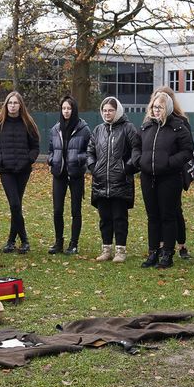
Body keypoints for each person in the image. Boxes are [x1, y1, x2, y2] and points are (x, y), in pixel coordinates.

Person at [139, 90, 194, 269]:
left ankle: (167, 253)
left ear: (167, 108)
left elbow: (187, 150)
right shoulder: (147, 126)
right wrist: (139, 161)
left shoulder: (178, 126)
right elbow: (136, 146)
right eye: (154, 107)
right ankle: (153, 251)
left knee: (168, 216)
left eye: (160, 107)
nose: (156, 110)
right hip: (148, 177)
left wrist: (169, 163)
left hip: (169, 178)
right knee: (152, 216)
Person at [87, 96, 141, 263]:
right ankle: (106, 249)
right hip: (101, 182)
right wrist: (93, 167)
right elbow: (90, 151)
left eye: (110, 110)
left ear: (117, 111)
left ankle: (121, 251)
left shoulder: (128, 128)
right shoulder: (98, 130)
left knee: (119, 218)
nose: (107, 113)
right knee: (104, 219)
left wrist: (126, 168)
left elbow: (136, 151)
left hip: (121, 182)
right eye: (104, 110)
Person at [0, 90, 40, 254]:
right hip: (6, 171)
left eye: (15, 103)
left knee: (15, 206)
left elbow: (35, 147)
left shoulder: (28, 123)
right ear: (6, 105)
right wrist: (0, 159)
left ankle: (11, 241)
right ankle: (24, 240)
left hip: (23, 171)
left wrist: (28, 159)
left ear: (20, 105)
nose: (12, 106)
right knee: (15, 204)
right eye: (10, 103)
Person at [153, 86, 194, 259]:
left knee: (175, 210)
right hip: (156, 174)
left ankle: (181, 244)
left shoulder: (180, 122)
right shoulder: (151, 121)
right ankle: (162, 244)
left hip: (174, 173)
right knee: (159, 211)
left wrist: (170, 162)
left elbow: (187, 149)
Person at [47, 95, 91, 255]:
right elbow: (51, 149)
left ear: (74, 110)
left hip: (76, 174)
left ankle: (74, 243)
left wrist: (79, 159)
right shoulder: (55, 129)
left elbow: (89, 151)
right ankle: (58, 242)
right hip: (59, 174)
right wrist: (52, 160)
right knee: (57, 210)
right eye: (64, 108)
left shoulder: (83, 129)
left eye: (69, 108)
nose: (66, 111)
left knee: (75, 210)